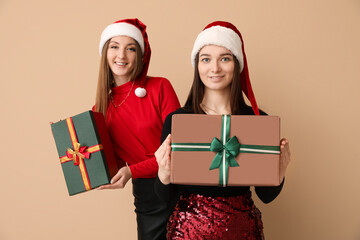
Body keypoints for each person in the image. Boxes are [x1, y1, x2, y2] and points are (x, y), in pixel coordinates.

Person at [155, 21, 291, 239]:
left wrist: (280, 173)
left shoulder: (258, 121)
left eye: (224, 58)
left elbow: (266, 196)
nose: (215, 68)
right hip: (188, 232)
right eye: (206, 59)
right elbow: (164, 198)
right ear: (197, 65)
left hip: (243, 231)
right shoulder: (178, 121)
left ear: (237, 64)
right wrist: (163, 173)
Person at [94, 18, 181, 240]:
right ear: (105, 53)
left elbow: (179, 149)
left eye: (130, 48)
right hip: (147, 197)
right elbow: (112, 164)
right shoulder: (99, 110)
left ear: (141, 56)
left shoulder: (160, 87)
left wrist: (131, 171)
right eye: (114, 46)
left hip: (181, 188)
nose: (121, 55)